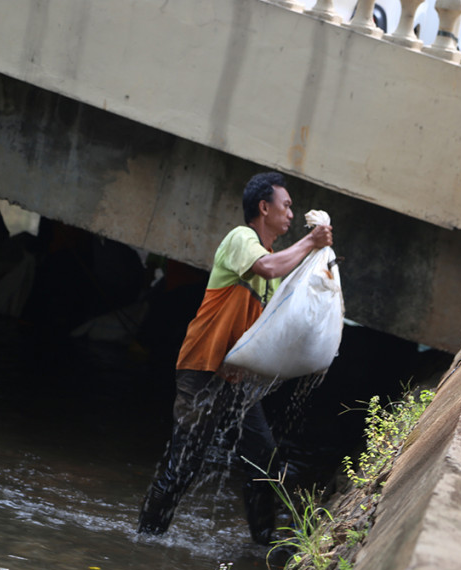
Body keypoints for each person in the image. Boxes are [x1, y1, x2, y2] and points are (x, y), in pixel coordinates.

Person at [137, 171, 333, 544]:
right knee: (184, 465)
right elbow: (267, 267)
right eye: (286, 205)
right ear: (264, 208)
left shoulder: (275, 264)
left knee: (264, 460)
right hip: (202, 368)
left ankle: (264, 543)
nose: (291, 214)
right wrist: (311, 241)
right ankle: (145, 540)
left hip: (235, 379)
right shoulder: (241, 239)